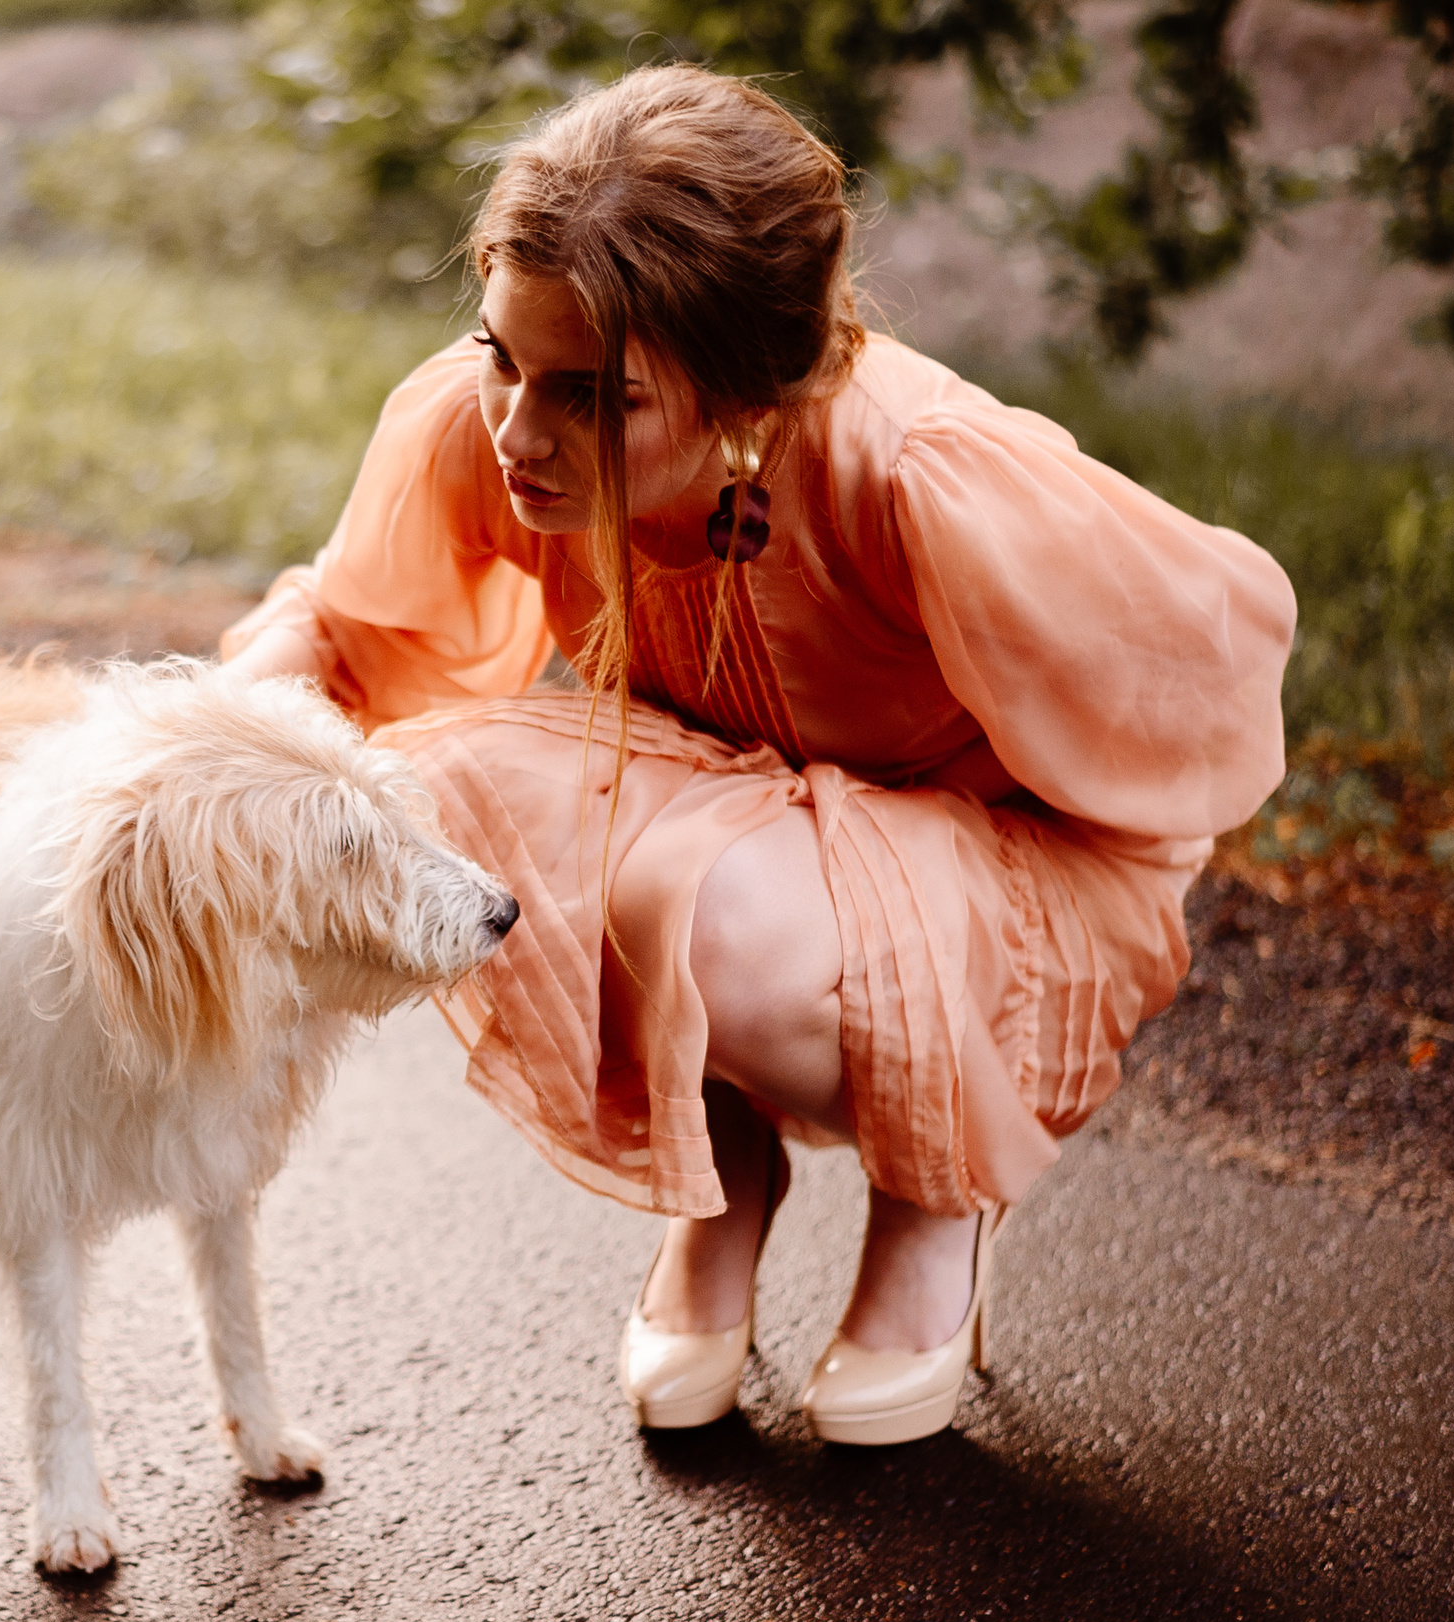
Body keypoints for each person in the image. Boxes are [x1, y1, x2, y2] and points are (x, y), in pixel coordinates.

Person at [219, 64, 1295, 1441]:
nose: (518, 432)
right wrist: (172, 742)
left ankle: (936, 1202)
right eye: (500, 354)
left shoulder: (913, 467)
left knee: (701, 900)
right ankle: (720, 1174)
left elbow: (1202, 655)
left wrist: (931, 851)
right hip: (726, 828)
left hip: (1007, 868)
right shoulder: (495, 426)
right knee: (438, 796)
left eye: (593, 398)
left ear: (743, 401)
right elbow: (356, 644)